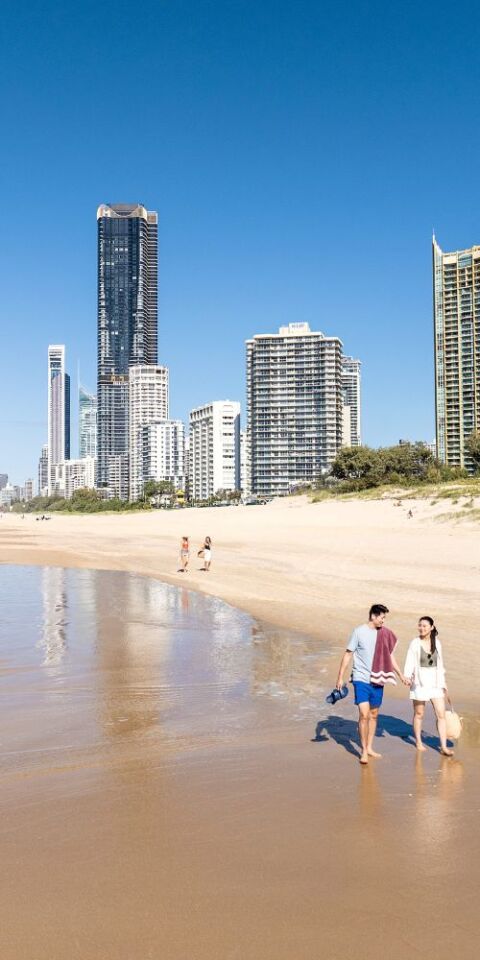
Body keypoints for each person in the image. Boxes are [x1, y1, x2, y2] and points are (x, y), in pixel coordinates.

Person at [335, 604, 409, 765]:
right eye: (382, 617)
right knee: (364, 714)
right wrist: (340, 677)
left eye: (384, 618)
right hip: (361, 679)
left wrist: (400, 674)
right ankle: (363, 751)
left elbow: (389, 656)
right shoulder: (358, 632)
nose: (383, 621)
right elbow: (348, 654)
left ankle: (369, 747)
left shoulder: (384, 634)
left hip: (378, 678)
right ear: (373, 616)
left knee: (374, 714)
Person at [404, 616, 453, 756]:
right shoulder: (415, 643)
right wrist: (407, 676)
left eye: (425, 626)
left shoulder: (437, 643)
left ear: (432, 627)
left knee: (441, 714)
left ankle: (443, 746)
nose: (421, 628)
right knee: (419, 714)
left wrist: (443, 683)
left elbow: (440, 663)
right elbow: (409, 661)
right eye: (420, 625)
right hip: (419, 683)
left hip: (435, 684)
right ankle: (418, 742)